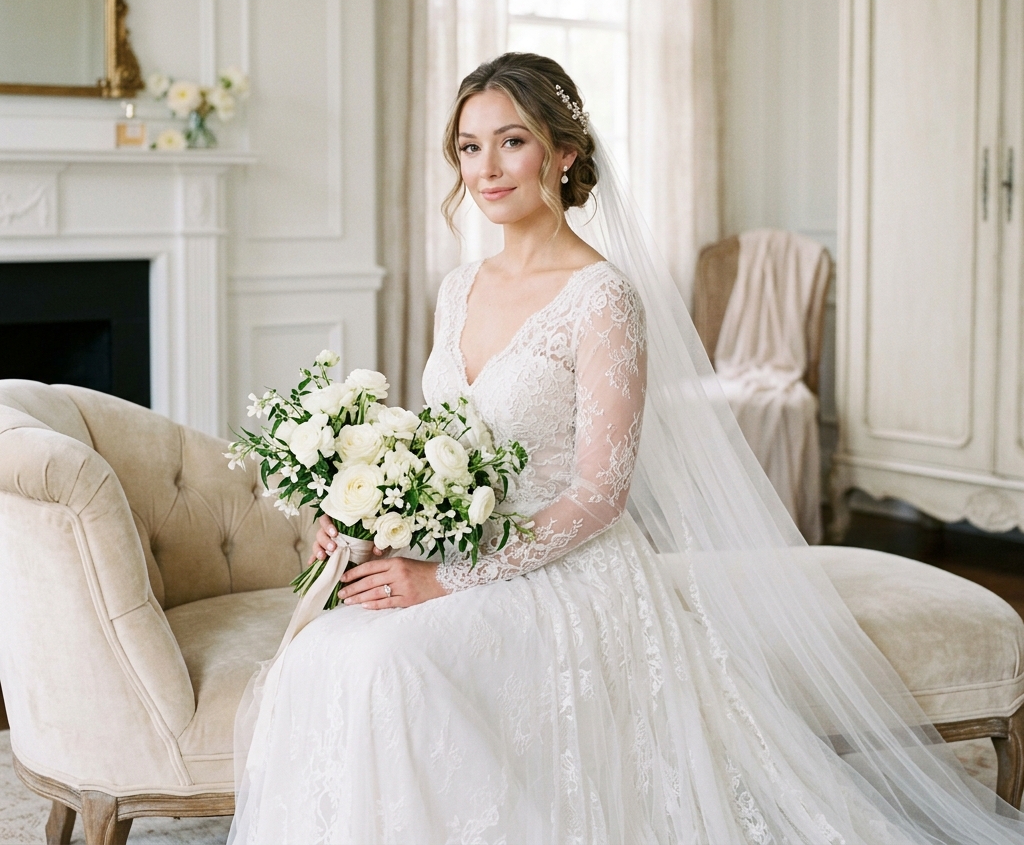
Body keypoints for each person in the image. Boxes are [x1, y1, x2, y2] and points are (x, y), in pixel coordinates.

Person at [229, 53, 1023, 844]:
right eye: (469, 147)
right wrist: (368, 517)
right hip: (464, 542)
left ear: (563, 152)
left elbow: (599, 495)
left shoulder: (603, 296)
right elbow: (441, 446)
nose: (486, 169)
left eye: (511, 142)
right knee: (325, 652)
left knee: (385, 665)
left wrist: (446, 579)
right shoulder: (457, 289)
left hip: (568, 566)